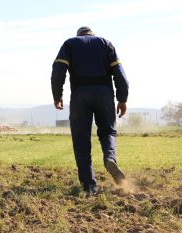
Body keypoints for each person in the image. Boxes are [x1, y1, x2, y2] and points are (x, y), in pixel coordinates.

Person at [51, 26, 129, 194]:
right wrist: (122, 99)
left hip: (80, 95)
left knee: (81, 140)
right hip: (105, 94)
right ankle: (110, 158)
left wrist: (57, 95)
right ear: (92, 34)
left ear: (79, 35)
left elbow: (58, 71)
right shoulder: (105, 43)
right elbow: (120, 73)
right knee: (108, 131)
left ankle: (89, 186)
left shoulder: (70, 44)